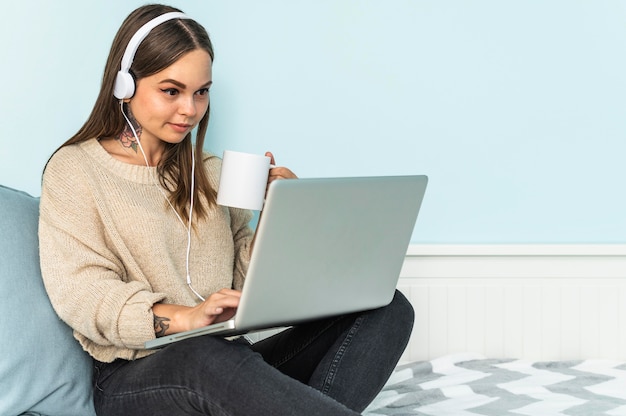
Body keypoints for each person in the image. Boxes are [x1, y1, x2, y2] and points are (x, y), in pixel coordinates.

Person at [38, 4, 414, 415]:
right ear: (125, 85)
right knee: (203, 354)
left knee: (388, 307)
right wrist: (187, 319)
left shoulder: (214, 173)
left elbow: (243, 287)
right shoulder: (74, 170)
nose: (190, 109)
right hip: (134, 376)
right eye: (171, 90)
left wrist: (278, 223)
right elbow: (83, 295)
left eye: (201, 91)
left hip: (230, 362)